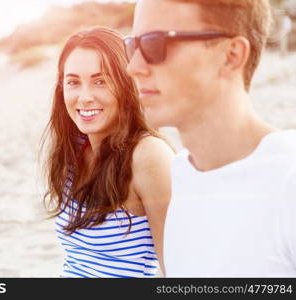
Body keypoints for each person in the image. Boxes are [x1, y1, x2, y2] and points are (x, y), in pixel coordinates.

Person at [125, 0, 296, 277]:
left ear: (231, 55)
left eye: (154, 44)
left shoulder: (288, 181)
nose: (133, 67)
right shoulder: (182, 173)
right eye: (132, 46)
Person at [42, 27, 174, 278]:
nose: (84, 97)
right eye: (73, 82)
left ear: (126, 85)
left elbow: (178, 269)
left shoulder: (148, 155)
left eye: (100, 81)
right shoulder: (75, 150)